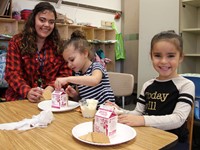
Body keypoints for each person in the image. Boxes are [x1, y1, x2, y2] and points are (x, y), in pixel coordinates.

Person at [106, 31, 195, 148]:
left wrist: (142, 121)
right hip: (148, 136)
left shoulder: (186, 85)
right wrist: (120, 111)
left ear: (181, 57)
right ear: (151, 56)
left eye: (171, 56)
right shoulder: (148, 85)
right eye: (158, 55)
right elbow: (137, 113)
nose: (163, 61)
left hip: (174, 141)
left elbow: (178, 119)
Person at [5, 2, 72, 102]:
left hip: (49, 100)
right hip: (20, 99)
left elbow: (65, 74)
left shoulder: (59, 46)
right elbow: (12, 73)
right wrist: (27, 91)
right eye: (42, 20)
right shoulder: (17, 42)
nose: (46, 25)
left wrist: (51, 87)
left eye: (51, 22)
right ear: (33, 20)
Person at [54, 30, 115, 105]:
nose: (69, 65)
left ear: (85, 53)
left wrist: (67, 79)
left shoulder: (96, 66)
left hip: (107, 110)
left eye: (72, 60)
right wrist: (75, 96)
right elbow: (85, 101)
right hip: (91, 113)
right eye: (67, 62)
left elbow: (94, 80)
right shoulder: (78, 74)